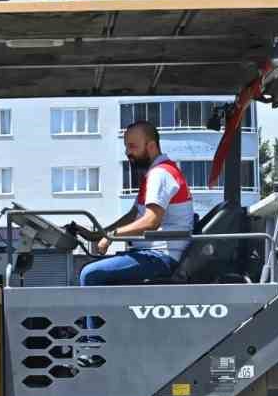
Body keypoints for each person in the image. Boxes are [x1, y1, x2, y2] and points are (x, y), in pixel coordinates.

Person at [79, 121, 194, 285]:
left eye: (132, 146)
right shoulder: (155, 173)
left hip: (160, 256)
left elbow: (151, 221)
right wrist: (98, 234)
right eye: (126, 147)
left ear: (151, 146)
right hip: (152, 253)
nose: (127, 152)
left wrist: (112, 236)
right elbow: (133, 215)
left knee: (90, 274)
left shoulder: (160, 174)